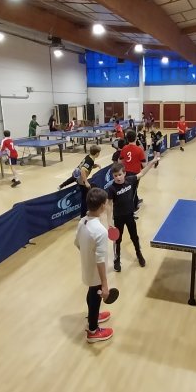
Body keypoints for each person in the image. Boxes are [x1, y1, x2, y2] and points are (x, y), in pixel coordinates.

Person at [74, 187, 114, 344]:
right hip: (96, 271)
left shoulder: (82, 221)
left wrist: (87, 255)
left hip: (87, 266)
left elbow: (77, 243)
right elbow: (100, 260)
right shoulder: (100, 231)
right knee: (96, 296)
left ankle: (94, 315)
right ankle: (93, 331)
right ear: (103, 206)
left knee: (91, 292)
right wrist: (105, 284)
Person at [106, 158, 159, 272]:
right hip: (118, 217)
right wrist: (109, 222)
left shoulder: (130, 180)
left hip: (130, 215)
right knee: (117, 240)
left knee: (134, 237)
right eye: (115, 176)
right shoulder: (111, 189)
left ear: (124, 173)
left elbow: (142, 173)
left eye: (120, 174)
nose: (118, 177)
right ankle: (117, 259)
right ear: (113, 176)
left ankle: (139, 254)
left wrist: (151, 162)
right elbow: (109, 205)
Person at [120, 130, 146, 210]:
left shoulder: (124, 148)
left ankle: (136, 201)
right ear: (136, 138)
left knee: (128, 188)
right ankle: (133, 208)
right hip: (135, 173)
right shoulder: (139, 149)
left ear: (127, 139)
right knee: (133, 190)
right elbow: (144, 165)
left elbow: (120, 161)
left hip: (125, 172)